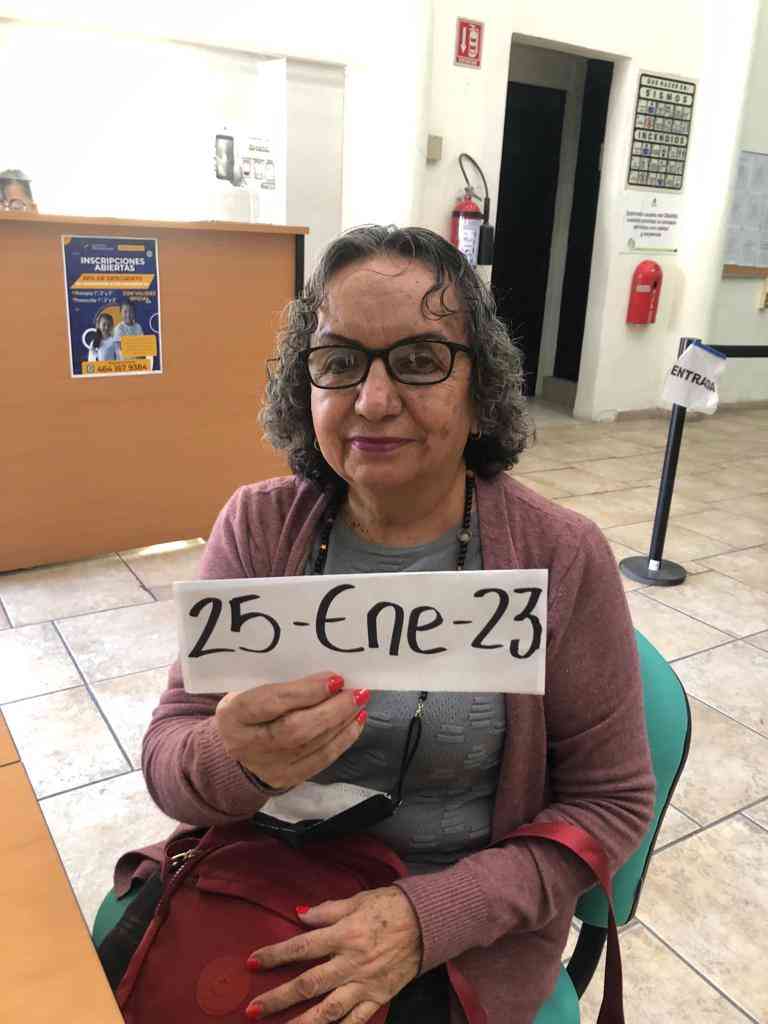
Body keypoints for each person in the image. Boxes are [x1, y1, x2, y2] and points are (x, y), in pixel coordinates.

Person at [139, 226, 654, 1023]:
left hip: (459, 940)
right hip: (261, 894)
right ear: (306, 385)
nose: (373, 401)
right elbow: (168, 759)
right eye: (340, 361)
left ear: (480, 386)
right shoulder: (258, 526)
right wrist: (229, 757)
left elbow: (611, 804)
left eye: (419, 360)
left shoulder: (561, 556)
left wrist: (429, 919)